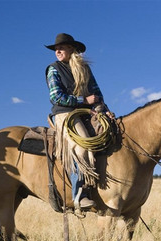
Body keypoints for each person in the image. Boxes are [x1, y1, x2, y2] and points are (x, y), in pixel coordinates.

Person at [45, 33, 109, 209]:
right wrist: (83, 101)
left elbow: (97, 93)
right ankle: (79, 195)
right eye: (56, 48)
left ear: (71, 49)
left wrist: (104, 111)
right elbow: (56, 97)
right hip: (65, 114)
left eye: (61, 47)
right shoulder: (53, 69)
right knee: (82, 147)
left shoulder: (84, 69)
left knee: (111, 135)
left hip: (88, 112)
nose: (57, 51)